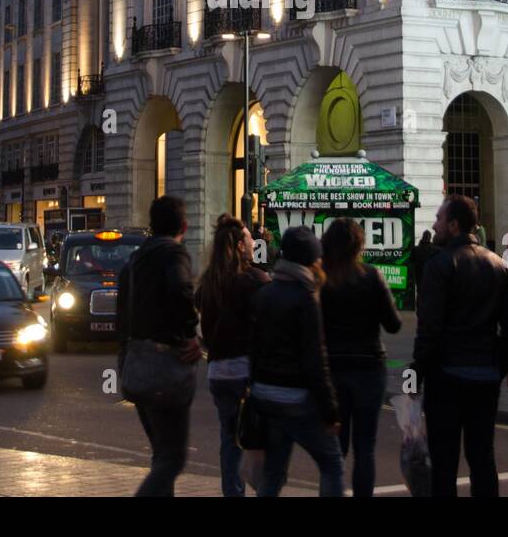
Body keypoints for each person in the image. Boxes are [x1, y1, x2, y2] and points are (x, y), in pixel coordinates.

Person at [413, 194, 508, 498]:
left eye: (438, 219)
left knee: (444, 463)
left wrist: (414, 376)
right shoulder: (500, 265)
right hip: (485, 376)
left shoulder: (439, 264)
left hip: (446, 376)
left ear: (453, 224)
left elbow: (429, 329)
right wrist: (504, 365)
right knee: (482, 457)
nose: (434, 225)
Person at [115, 195, 201, 497]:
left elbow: (121, 316)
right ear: (184, 226)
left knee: (161, 453)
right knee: (173, 457)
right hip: (165, 366)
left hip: (138, 364)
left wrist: (124, 358)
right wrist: (191, 332)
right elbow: (179, 288)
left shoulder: (136, 259)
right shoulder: (173, 254)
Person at [249, 225, 343, 497]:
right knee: (332, 463)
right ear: (310, 260)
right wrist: (330, 409)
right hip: (297, 397)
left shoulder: (265, 293)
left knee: (274, 470)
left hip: (266, 394)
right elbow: (316, 359)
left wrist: (253, 391)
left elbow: (253, 350)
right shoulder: (307, 297)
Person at [319, 216, 401, 497]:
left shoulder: (320, 280)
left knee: (334, 449)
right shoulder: (371, 275)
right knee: (365, 447)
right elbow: (393, 324)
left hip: (332, 369)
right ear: (359, 244)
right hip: (369, 367)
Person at [195, 214, 269, 498]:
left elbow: (203, 325)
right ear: (240, 246)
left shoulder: (209, 283)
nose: (254, 241)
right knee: (260, 438)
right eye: (250, 237)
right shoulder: (253, 280)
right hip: (245, 373)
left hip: (218, 372)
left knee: (230, 439)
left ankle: (233, 493)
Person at [409, 229, 437, 309]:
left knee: (420, 292)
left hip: (419, 274)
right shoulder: (435, 249)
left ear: (423, 236)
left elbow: (411, 261)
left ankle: (420, 309)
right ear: (430, 237)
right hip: (431, 275)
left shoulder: (415, 249)